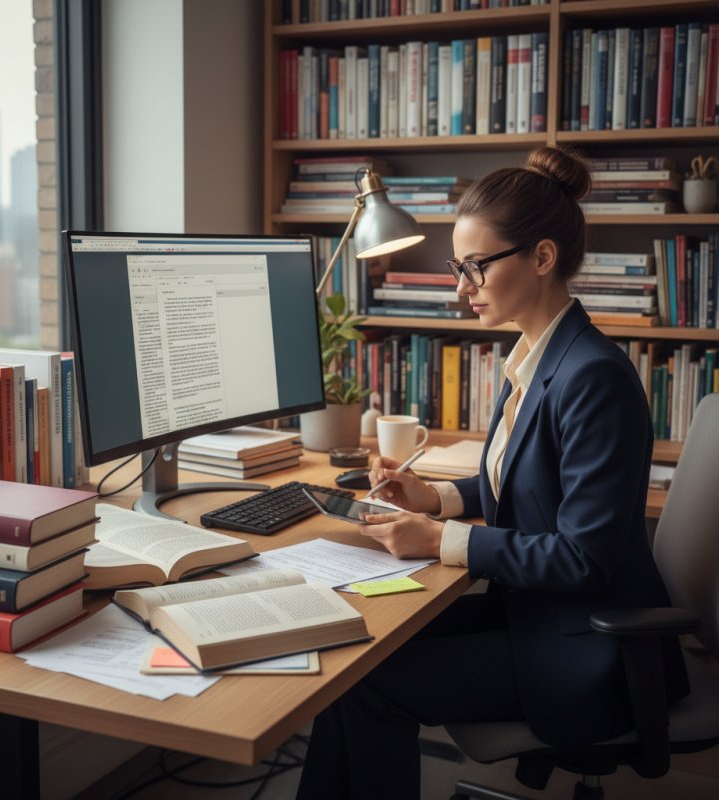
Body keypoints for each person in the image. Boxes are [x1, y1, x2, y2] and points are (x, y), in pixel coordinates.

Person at [295, 146, 689, 800]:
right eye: (459, 267)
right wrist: (437, 497)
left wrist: (437, 541)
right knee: (352, 655)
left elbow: (582, 557)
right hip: (535, 611)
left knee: (367, 684)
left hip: (586, 639)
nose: (461, 287)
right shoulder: (535, 355)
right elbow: (527, 483)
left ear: (541, 258)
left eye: (475, 267)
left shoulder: (593, 377)